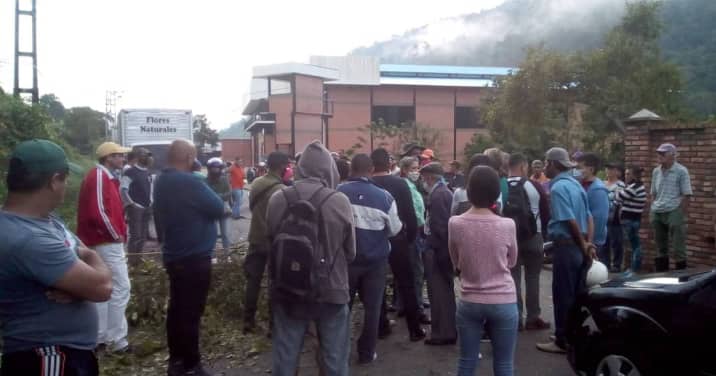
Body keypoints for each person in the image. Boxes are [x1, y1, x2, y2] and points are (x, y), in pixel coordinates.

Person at [0, 140, 112, 375]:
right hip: (48, 357)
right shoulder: (27, 238)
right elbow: (102, 288)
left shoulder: (46, 221)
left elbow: (83, 260)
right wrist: (89, 259)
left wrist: (80, 277)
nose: (67, 184)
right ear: (53, 181)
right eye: (65, 178)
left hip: (66, 353)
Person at [266, 141, 355, 376]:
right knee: (334, 358)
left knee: (285, 354)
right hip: (332, 288)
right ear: (329, 170)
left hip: (287, 287)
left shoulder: (278, 198)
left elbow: (271, 241)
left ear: (299, 168)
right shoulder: (339, 201)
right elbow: (351, 252)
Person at [153, 140, 225, 376]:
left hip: (175, 254)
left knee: (176, 310)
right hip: (194, 257)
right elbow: (218, 207)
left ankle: (176, 362)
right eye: (195, 157)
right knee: (191, 313)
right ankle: (192, 365)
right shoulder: (188, 181)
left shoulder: (162, 179)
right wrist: (197, 176)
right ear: (188, 158)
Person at [449, 166, 518, 376]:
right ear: (496, 193)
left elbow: (456, 262)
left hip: (469, 299)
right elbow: (512, 261)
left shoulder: (456, 223)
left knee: (466, 361)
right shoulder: (507, 224)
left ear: (469, 191)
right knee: (504, 364)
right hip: (503, 300)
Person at [339, 154, 403, 363]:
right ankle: (366, 353)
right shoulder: (385, 197)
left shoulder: (338, 193)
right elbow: (394, 229)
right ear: (372, 169)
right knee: (373, 309)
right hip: (375, 262)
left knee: (342, 307)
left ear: (351, 169)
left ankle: (338, 351)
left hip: (346, 261)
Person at [536, 147, 595, 354]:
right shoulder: (576, 185)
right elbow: (588, 216)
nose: (544, 167)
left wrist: (581, 242)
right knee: (576, 294)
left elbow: (569, 219)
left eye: (546, 163)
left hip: (568, 246)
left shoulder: (559, 188)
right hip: (579, 247)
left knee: (563, 295)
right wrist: (589, 243)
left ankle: (562, 340)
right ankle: (573, 334)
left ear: (553, 164)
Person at [77, 141, 132, 353]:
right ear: (108, 158)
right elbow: (98, 210)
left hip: (100, 240)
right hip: (105, 241)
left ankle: (100, 337)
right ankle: (117, 340)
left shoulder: (104, 177)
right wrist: (115, 234)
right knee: (121, 287)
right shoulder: (100, 176)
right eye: (119, 155)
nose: (122, 159)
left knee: (104, 288)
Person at [371, 148, 426, 342]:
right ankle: (414, 329)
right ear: (389, 164)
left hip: (375, 242)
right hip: (399, 240)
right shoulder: (400, 184)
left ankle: (380, 325)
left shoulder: (369, 184)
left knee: (376, 285)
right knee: (407, 283)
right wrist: (410, 238)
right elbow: (410, 215)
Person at [243, 151, 289, 334]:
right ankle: (273, 325)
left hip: (255, 239)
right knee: (274, 282)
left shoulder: (256, 183)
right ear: (282, 167)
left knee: (252, 281)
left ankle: (248, 320)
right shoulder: (282, 191)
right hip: (273, 242)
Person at [506, 153, 551, 331]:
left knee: (513, 278)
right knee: (533, 277)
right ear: (524, 167)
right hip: (534, 236)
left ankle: (515, 319)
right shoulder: (534, 186)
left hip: (510, 237)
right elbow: (546, 211)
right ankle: (533, 317)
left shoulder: (502, 185)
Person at [421, 162, 458, 345]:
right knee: (443, 291)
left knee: (438, 292)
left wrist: (440, 253)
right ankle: (447, 329)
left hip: (437, 251)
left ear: (429, 177)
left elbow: (440, 227)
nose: (423, 181)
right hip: (441, 250)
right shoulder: (444, 192)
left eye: (424, 177)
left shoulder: (438, 195)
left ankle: (442, 332)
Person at [650, 143, 693, 271]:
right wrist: (652, 209)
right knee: (660, 247)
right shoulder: (656, 171)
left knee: (678, 247)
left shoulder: (681, 170)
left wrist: (680, 213)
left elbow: (687, 194)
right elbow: (653, 193)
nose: (660, 156)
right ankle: (661, 277)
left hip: (674, 210)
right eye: (659, 153)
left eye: (663, 153)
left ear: (672, 155)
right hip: (657, 211)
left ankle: (682, 279)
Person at [399, 156, 429, 320]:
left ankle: (407, 304)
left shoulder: (412, 185)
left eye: (417, 168)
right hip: (413, 231)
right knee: (416, 270)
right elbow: (415, 212)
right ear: (404, 170)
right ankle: (416, 307)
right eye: (413, 168)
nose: (416, 172)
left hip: (414, 230)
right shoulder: (406, 186)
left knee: (411, 270)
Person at [575, 153, 610, 270]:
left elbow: (600, 218)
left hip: (593, 241)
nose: (577, 171)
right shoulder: (581, 185)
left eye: (580, 167)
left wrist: (592, 243)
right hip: (582, 238)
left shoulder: (598, 189)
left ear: (590, 169)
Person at [120, 147, 154, 259]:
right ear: (139, 157)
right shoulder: (130, 172)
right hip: (136, 208)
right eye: (146, 155)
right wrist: (131, 204)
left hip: (147, 206)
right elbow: (123, 189)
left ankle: (138, 260)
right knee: (136, 235)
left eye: (149, 155)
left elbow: (150, 188)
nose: (149, 158)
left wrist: (151, 201)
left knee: (143, 236)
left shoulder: (148, 172)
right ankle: (132, 261)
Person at [617, 165, 647, 274]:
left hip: (630, 220)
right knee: (633, 245)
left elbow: (618, 197)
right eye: (625, 173)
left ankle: (633, 270)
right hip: (633, 220)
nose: (626, 176)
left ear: (634, 175)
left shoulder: (634, 187)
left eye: (628, 174)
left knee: (632, 246)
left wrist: (617, 191)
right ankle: (632, 269)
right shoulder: (636, 186)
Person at [206, 158, 232, 251]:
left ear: (220, 169)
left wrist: (217, 196)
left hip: (223, 211)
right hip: (211, 211)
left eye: (217, 168)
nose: (215, 170)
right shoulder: (206, 181)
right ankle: (212, 254)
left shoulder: (224, 180)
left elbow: (229, 194)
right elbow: (205, 196)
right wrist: (219, 196)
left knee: (225, 234)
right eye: (213, 168)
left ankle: (227, 253)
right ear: (210, 169)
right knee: (212, 234)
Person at [604, 163, 626, 272]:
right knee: (604, 241)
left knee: (616, 242)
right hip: (603, 216)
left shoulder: (620, 185)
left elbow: (620, 201)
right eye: (607, 169)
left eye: (611, 169)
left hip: (615, 217)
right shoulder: (602, 184)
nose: (608, 171)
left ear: (617, 171)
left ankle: (617, 265)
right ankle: (605, 263)